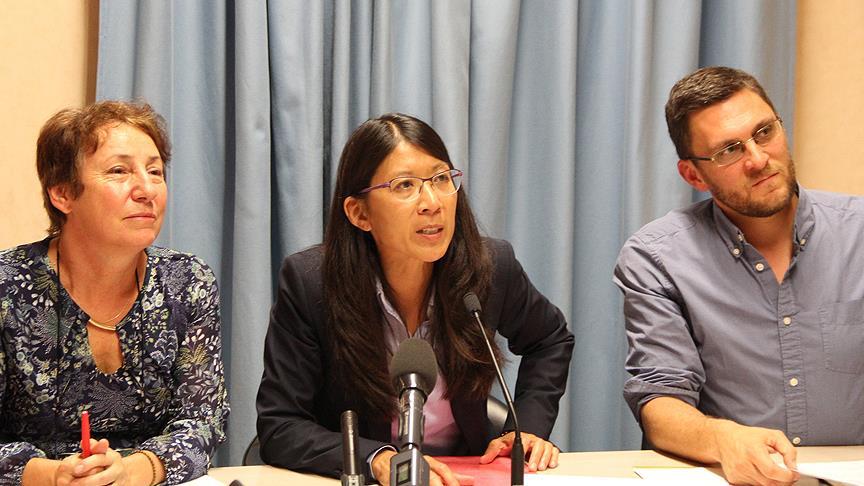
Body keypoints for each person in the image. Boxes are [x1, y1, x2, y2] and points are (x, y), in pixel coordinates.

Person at [256, 113, 574, 485]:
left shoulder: (490, 267)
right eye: (405, 185)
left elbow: (550, 339)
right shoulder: (312, 284)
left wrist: (526, 429)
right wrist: (377, 460)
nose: (432, 203)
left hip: (464, 475)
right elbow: (281, 425)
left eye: (441, 179)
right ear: (359, 213)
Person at [614, 66, 864, 485]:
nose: (758, 159)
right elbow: (660, 400)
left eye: (764, 132)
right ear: (693, 175)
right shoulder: (657, 257)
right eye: (729, 150)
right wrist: (721, 439)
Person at [0, 101, 229, 485]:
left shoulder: (187, 281)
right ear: (62, 194)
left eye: (155, 172)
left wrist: (132, 472)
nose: (146, 190)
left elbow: (203, 421)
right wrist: (55, 475)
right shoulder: (7, 286)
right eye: (119, 171)